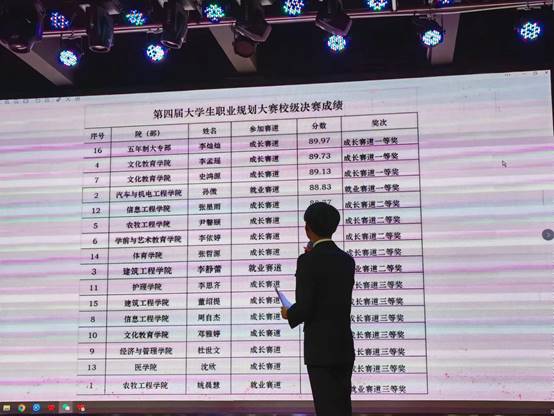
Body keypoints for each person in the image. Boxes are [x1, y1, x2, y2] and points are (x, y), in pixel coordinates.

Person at [280, 202, 356, 416]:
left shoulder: (307, 261)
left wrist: (289, 313)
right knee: (342, 407)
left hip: (320, 350)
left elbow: (305, 307)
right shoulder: (347, 260)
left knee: (326, 409)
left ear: (308, 228)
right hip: (343, 347)